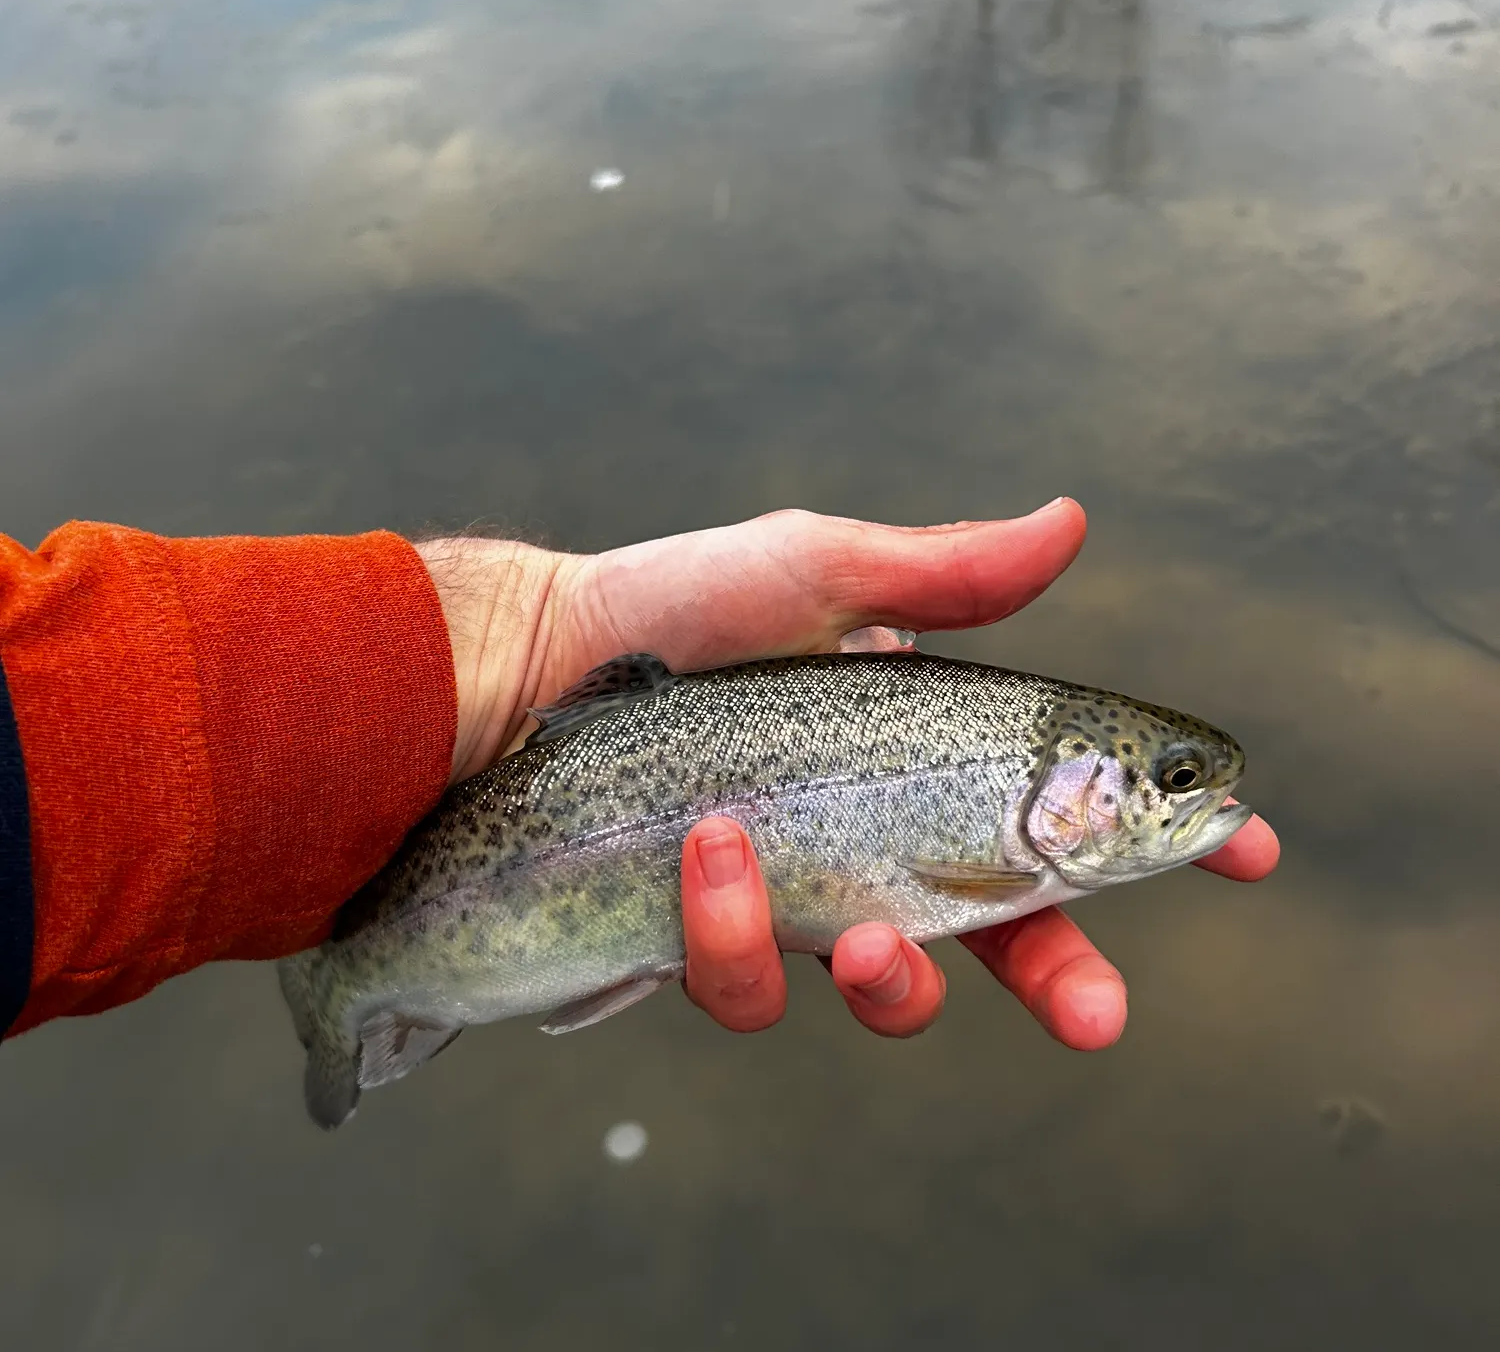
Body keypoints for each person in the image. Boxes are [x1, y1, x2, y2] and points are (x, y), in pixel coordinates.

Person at [0, 499, 1278, 1045]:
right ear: (1073, 785)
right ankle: (355, 987)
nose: (1194, 795)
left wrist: (507, 638)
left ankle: (363, 984)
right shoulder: (994, 856)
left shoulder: (1015, 797)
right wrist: (514, 646)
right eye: (1172, 778)